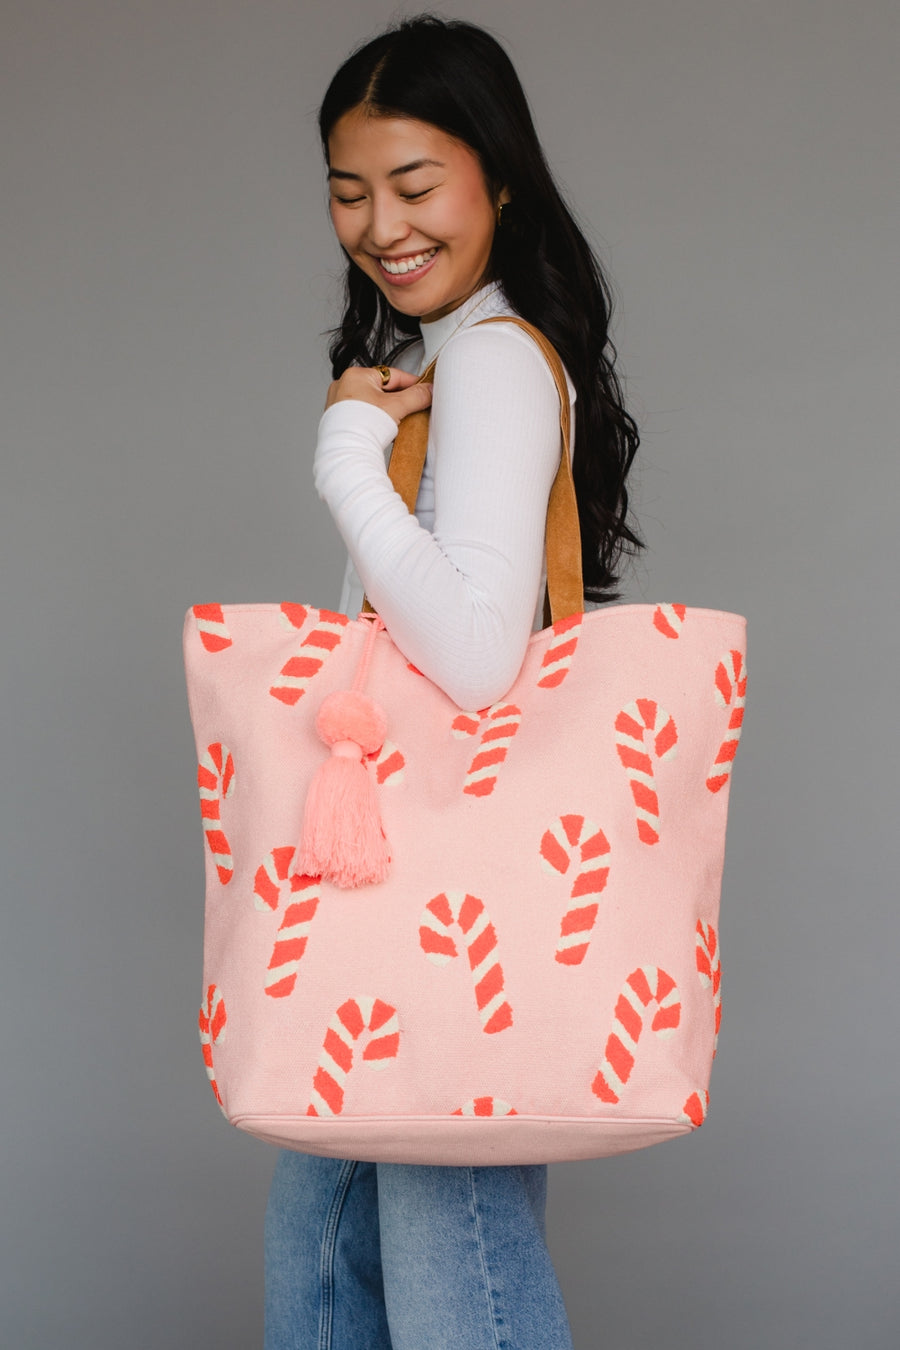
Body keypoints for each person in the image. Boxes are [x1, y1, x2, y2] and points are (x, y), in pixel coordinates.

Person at [264, 15, 641, 1349]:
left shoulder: (486, 359)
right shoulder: (443, 365)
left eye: (415, 185)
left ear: (500, 179)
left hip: (440, 907)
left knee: (441, 1272)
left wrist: (343, 458)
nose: (381, 226)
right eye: (349, 190)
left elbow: (478, 656)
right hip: (401, 904)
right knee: (329, 1251)